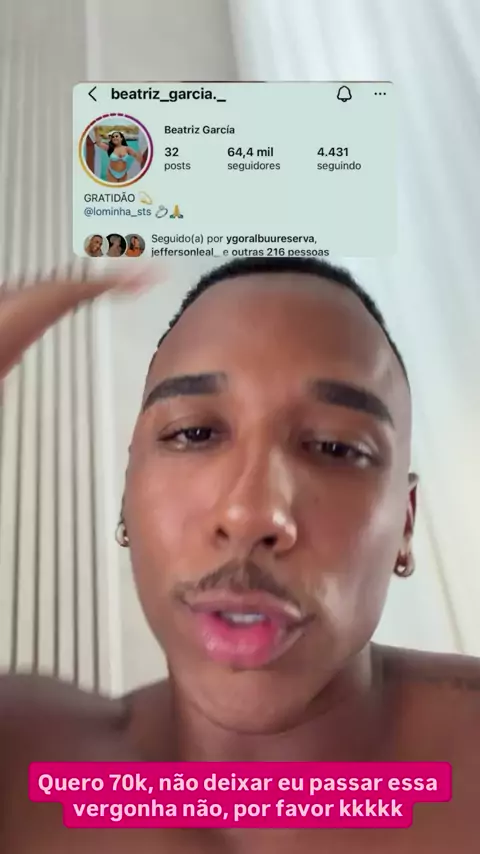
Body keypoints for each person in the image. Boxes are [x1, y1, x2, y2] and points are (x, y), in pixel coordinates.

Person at [0, 257, 479, 852]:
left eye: (336, 447)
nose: (251, 514)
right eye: (193, 434)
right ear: (127, 495)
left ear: (405, 524)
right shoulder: (21, 762)